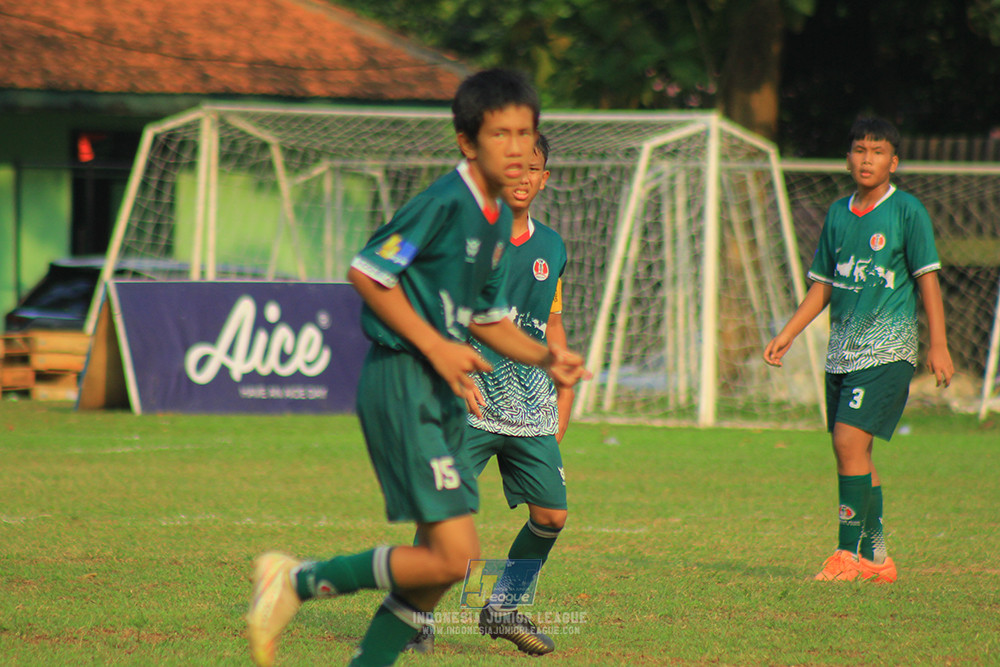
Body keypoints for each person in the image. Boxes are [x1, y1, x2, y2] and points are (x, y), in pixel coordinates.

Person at [245, 68, 589, 667]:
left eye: (524, 135)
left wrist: (547, 356)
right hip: (404, 379)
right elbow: (368, 273)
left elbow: (487, 318)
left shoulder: (491, 221)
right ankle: (295, 580)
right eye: (501, 134)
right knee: (449, 556)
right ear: (467, 142)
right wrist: (436, 345)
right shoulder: (445, 202)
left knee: (442, 563)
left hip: (441, 386)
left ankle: (350, 632)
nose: (516, 150)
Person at [763, 116, 954, 584]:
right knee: (856, 453)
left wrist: (939, 344)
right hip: (842, 353)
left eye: (878, 151)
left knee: (847, 443)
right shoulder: (837, 214)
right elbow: (823, 285)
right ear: (848, 158)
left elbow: (927, 279)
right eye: (860, 150)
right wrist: (789, 332)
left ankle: (845, 555)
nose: (868, 159)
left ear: (894, 161)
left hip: (888, 350)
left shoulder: (907, 211)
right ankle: (877, 559)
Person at [406, 133, 572, 656]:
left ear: (544, 180)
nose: (522, 178)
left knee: (551, 516)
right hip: (470, 399)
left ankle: (501, 607)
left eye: (533, 169)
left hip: (530, 405)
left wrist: (563, 386)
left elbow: (550, 323)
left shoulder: (553, 248)